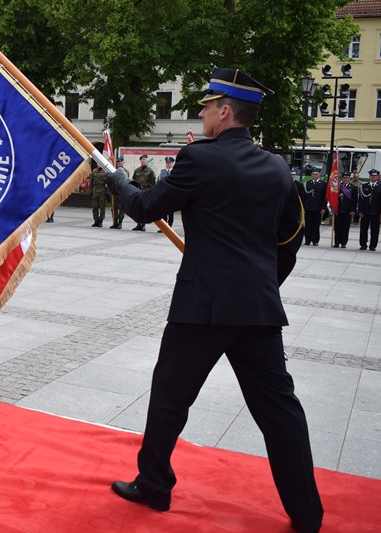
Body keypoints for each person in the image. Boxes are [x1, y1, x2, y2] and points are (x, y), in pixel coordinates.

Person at [106, 68, 322, 533]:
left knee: (169, 398)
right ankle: (308, 513)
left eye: (207, 106)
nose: (201, 112)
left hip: (201, 308)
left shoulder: (198, 160)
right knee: (280, 411)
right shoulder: (277, 167)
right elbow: (291, 239)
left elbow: (145, 209)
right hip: (258, 309)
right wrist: (264, 283)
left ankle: (154, 485)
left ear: (225, 112)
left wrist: (114, 179)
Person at [130, 154, 155, 231]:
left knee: (144, 209)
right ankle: (138, 224)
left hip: (145, 193)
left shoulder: (150, 171)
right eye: (142, 160)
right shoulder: (137, 170)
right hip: (138, 193)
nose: (143, 161)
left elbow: (153, 182)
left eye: (144, 159)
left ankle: (143, 225)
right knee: (138, 209)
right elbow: (133, 180)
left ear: (147, 161)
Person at [302, 167, 326, 246]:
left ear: (319, 174)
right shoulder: (307, 183)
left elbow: (324, 197)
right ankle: (307, 240)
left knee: (316, 225)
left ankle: (315, 240)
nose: (315, 176)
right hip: (308, 207)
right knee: (308, 225)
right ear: (311, 175)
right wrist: (304, 208)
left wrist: (323, 207)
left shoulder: (323, 184)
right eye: (313, 174)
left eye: (316, 174)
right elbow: (304, 197)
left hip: (318, 208)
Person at [358, 168, 380, 251]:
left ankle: (373, 245)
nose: (373, 177)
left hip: (376, 212)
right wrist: (360, 210)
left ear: (378, 177)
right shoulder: (364, 186)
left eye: (374, 176)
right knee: (363, 229)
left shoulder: (380, 186)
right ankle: (363, 244)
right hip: (365, 211)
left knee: (375, 230)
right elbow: (360, 200)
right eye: (371, 176)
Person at [333, 171, 357, 248]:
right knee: (337, 227)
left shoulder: (353, 187)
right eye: (344, 178)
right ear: (342, 178)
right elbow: (333, 198)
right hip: (338, 210)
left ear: (349, 178)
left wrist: (353, 210)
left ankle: (343, 242)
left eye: (347, 178)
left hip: (348, 210)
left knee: (345, 227)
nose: (345, 179)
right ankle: (336, 242)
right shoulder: (337, 187)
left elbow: (355, 200)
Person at [156, 156, 175, 230]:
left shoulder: (175, 172)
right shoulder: (162, 172)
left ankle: (169, 227)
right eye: (167, 163)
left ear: (173, 163)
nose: (168, 164)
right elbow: (158, 183)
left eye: (169, 163)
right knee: (163, 212)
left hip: (171, 196)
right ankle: (164, 228)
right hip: (163, 195)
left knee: (170, 213)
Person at [109, 157, 127, 229]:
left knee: (121, 208)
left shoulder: (125, 171)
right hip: (114, 192)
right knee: (114, 207)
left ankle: (120, 222)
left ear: (123, 162)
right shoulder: (113, 171)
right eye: (118, 162)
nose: (119, 163)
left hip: (121, 192)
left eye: (121, 161)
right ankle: (115, 222)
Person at [89, 162, 107, 227]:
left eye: (100, 163)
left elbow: (107, 182)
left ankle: (101, 221)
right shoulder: (94, 171)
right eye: (98, 163)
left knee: (102, 207)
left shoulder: (105, 171)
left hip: (102, 191)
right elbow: (91, 182)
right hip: (95, 191)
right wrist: (90, 191)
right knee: (95, 207)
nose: (99, 164)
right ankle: (96, 220)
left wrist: (107, 193)